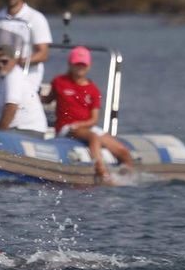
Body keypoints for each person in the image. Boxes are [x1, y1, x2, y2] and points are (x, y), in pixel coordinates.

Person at [46, 46, 135, 182]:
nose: (80, 68)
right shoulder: (59, 82)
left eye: (83, 65)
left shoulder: (92, 90)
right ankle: (103, 174)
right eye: (77, 64)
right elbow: (47, 99)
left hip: (86, 126)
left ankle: (128, 178)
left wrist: (80, 124)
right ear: (70, 64)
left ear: (88, 66)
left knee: (123, 151)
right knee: (93, 137)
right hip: (67, 127)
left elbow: (94, 119)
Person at [0, 0, 52, 88]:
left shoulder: (35, 18)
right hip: (0, 74)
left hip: (27, 76)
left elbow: (43, 54)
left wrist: (17, 63)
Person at [0, 44, 51, 137]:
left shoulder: (14, 75)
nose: (0, 65)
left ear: (13, 60)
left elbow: (11, 106)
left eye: (4, 61)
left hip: (27, 129)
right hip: (15, 129)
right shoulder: (2, 77)